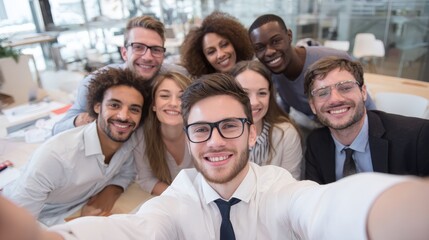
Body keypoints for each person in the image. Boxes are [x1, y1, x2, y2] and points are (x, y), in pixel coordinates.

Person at [6, 73, 429, 240]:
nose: (215, 142)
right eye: (201, 130)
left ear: (249, 130)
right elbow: (135, 229)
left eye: (229, 125)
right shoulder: (179, 196)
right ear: (189, 138)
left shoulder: (279, 188)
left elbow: (329, 207)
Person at [2, 68, 150, 226]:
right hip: (32, 218)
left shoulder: (130, 140)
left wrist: (111, 191)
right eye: (114, 105)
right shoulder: (55, 156)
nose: (123, 116)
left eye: (134, 109)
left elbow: (127, 171)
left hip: (77, 209)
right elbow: (17, 226)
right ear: (97, 107)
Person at [53, 15, 187, 135]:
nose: (147, 57)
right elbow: (57, 130)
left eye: (156, 49)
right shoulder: (95, 82)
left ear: (163, 55)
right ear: (124, 53)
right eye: (138, 47)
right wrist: (87, 118)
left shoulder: (176, 76)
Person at [303, 56, 429, 184]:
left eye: (345, 88)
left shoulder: (417, 137)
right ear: (313, 106)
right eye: (322, 93)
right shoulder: (316, 143)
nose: (335, 99)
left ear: (363, 92)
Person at [248, 14, 377, 131]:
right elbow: (285, 101)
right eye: (260, 48)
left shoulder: (332, 58)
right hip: (318, 129)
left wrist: (373, 134)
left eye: (276, 41)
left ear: (289, 36)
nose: (269, 51)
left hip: (350, 126)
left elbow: (367, 105)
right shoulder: (271, 73)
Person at [230, 60, 302, 179]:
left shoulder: (286, 134)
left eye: (262, 93)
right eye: (244, 93)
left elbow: (291, 189)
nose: (254, 102)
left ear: (270, 95)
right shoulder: (217, 136)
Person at [134, 71, 194, 195]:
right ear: (154, 105)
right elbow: (146, 179)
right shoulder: (141, 137)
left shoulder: (204, 134)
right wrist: (179, 198)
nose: (173, 103)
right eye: (165, 96)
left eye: (182, 97)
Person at [180, 11, 253, 78]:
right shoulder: (204, 91)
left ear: (236, 43)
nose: (220, 55)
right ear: (204, 59)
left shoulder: (255, 75)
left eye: (224, 45)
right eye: (211, 52)